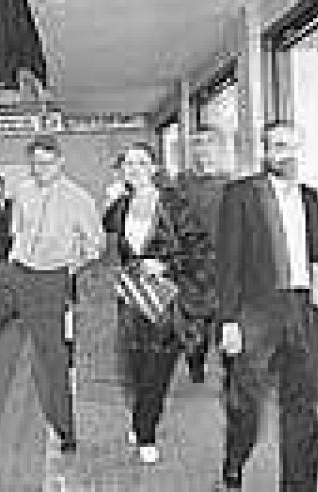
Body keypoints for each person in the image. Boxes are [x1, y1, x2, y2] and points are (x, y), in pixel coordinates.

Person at [216, 120, 318, 490]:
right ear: (265, 151)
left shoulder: (310, 197)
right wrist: (228, 320)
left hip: (301, 307)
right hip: (256, 309)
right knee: (246, 402)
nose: (287, 154)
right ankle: (235, 457)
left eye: (293, 146)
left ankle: (299, 484)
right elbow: (227, 261)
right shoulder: (241, 194)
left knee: (303, 403)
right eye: (279, 146)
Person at [102, 142, 216, 464]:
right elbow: (109, 236)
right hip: (131, 296)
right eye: (128, 164)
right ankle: (142, 414)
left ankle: (146, 432)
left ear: (153, 168)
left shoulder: (173, 204)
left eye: (141, 162)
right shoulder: (120, 205)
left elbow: (200, 250)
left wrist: (166, 266)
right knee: (133, 362)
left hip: (166, 296)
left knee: (159, 363)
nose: (134, 169)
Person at [9, 134, 104, 454]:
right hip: (23, 275)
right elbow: (17, 229)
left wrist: (71, 265)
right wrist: (15, 258)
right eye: (35, 163)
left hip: (53, 278)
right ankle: (54, 413)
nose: (40, 169)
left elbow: (96, 244)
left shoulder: (78, 198)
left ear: (61, 162)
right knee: (38, 349)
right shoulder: (23, 191)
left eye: (47, 163)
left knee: (53, 354)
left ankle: (65, 426)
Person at [177, 124, 226, 383]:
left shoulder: (234, 185)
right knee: (195, 325)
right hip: (192, 266)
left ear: (221, 147)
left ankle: (231, 376)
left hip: (226, 266)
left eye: (209, 142)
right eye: (198, 143)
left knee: (228, 323)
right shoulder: (182, 184)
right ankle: (196, 364)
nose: (203, 149)